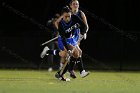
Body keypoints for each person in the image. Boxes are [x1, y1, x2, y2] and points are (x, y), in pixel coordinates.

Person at [41, 6, 88, 81]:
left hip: (72, 39)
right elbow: (63, 38)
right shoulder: (61, 24)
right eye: (65, 17)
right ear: (62, 16)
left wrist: (83, 33)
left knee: (64, 54)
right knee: (76, 53)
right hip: (63, 41)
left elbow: (84, 26)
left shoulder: (74, 18)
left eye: (69, 16)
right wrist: (68, 49)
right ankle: (80, 71)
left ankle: (48, 52)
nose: (67, 18)